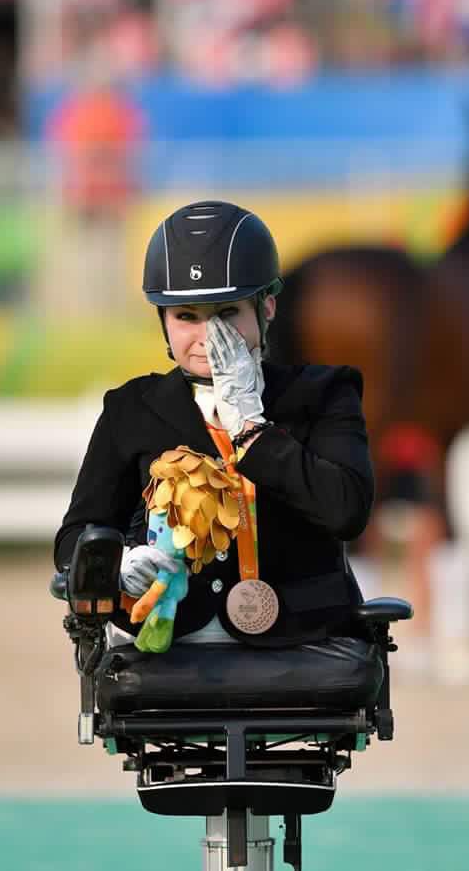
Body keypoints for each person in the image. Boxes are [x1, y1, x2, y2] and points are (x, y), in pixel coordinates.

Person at [54, 199, 374, 648]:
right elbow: (75, 537)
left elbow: (348, 512)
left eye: (227, 314)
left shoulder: (324, 393)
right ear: (164, 321)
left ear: (267, 308)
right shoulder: (130, 408)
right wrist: (117, 562)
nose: (209, 338)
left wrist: (252, 427)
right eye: (187, 317)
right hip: (166, 646)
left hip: (301, 641)